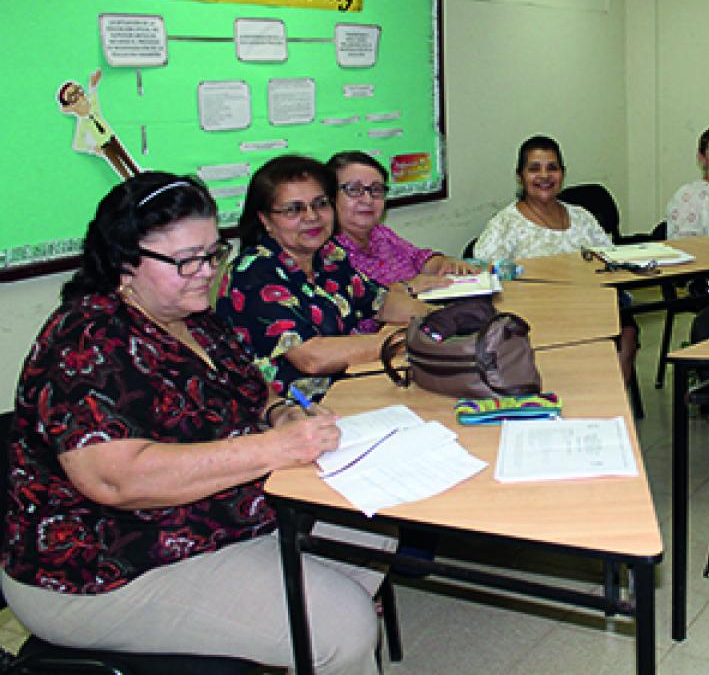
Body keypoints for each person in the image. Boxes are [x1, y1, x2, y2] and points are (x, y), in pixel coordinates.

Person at [1, 173, 394, 673]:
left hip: (211, 517)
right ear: (124, 260)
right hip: (106, 566)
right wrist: (276, 449)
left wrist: (281, 413)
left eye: (213, 253)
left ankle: (304, 644)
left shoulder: (194, 317)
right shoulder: (88, 338)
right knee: (343, 625)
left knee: (371, 521)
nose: (207, 271)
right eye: (187, 260)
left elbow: (258, 393)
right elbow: (114, 478)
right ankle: (323, 637)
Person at [216, 155, 430, 399]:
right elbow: (311, 358)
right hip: (293, 413)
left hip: (346, 388)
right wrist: (409, 340)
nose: (312, 217)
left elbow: (382, 302)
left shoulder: (328, 256)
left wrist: (438, 319)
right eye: (294, 209)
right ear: (265, 220)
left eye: (320, 204)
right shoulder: (253, 274)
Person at [475, 135, 638, 381]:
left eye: (552, 168)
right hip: (538, 313)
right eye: (534, 169)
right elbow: (483, 273)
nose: (544, 176)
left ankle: (610, 407)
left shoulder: (581, 216)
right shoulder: (505, 224)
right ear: (520, 176)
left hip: (589, 304)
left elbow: (610, 259)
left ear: (563, 173)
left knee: (626, 329)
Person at [329, 150, 478, 294]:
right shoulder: (326, 253)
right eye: (354, 189)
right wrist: (406, 288)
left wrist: (444, 264)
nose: (368, 200)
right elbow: (355, 303)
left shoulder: (380, 234)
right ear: (329, 197)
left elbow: (418, 258)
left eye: (376, 189)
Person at [58, 68, 139, 180]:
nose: (81, 98)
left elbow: (93, 96)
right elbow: (77, 145)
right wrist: (94, 148)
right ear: (69, 107)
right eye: (73, 97)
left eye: (80, 91)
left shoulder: (94, 109)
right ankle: (130, 182)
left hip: (111, 138)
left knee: (126, 158)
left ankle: (138, 174)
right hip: (104, 147)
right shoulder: (82, 125)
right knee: (119, 166)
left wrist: (93, 84)